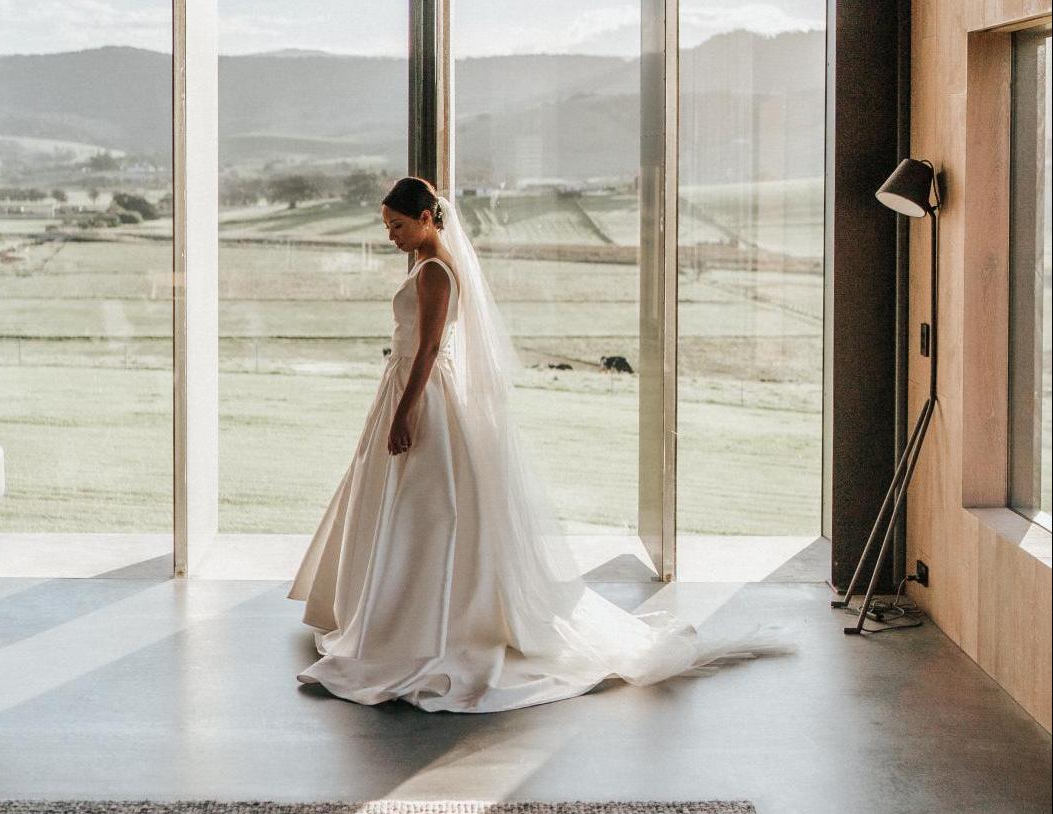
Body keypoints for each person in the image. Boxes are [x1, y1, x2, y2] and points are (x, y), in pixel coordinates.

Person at [287, 176, 792, 713]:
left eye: (398, 225)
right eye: (388, 227)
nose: (391, 235)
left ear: (429, 219)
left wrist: (406, 409)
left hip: (423, 392)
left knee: (428, 508)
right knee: (409, 506)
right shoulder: (423, 262)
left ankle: (418, 624)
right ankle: (394, 612)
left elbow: (430, 348)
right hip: (410, 385)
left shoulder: (434, 270)